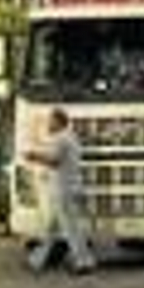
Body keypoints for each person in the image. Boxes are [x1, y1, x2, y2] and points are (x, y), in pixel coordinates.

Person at [22, 107, 97, 275]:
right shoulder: (71, 137)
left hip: (63, 189)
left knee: (70, 228)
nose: (48, 123)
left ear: (58, 122)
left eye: (51, 120)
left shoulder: (61, 139)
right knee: (51, 229)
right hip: (69, 187)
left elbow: (54, 160)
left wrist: (33, 156)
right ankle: (36, 260)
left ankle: (83, 261)